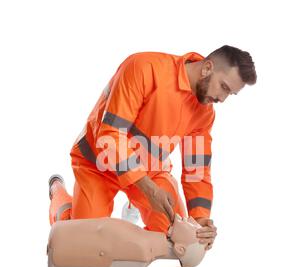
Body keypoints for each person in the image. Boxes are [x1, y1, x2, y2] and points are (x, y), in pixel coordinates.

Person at [49, 45, 257, 251]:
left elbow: (197, 170)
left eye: (231, 94)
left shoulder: (205, 113)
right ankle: (58, 192)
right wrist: (148, 190)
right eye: (224, 87)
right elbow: (111, 135)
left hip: (149, 172)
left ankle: (133, 204)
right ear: (207, 68)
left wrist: (201, 219)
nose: (223, 99)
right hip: (97, 164)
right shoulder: (144, 68)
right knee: (82, 244)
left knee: (180, 239)